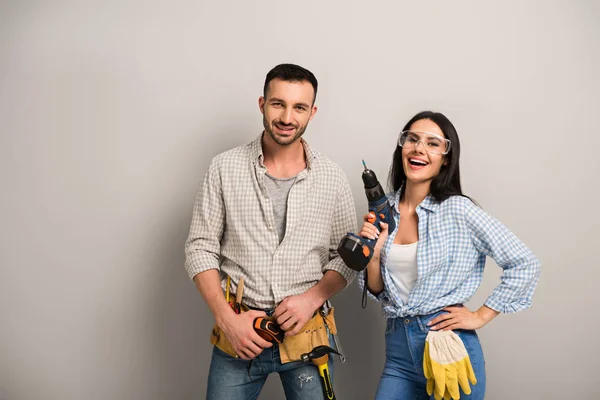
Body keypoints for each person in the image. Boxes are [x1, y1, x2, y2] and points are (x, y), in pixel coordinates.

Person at [185, 63, 357, 400]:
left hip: (308, 338)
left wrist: (313, 298)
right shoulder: (224, 167)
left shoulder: (332, 177)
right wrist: (226, 320)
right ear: (263, 103)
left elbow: (347, 258)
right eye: (278, 104)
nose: (287, 117)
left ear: (312, 112)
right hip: (239, 334)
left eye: (299, 107)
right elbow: (199, 248)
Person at [357, 111, 541, 400]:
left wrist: (480, 316)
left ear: (445, 158)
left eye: (433, 143)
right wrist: (376, 253)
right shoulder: (384, 210)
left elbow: (524, 262)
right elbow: (378, 290)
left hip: (448, 347)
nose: (419, 148)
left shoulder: (458, 210)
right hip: (398, 352)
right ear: (402, 148)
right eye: (413, 139)